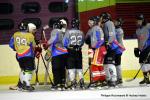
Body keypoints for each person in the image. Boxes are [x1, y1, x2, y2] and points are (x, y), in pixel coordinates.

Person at [9, 22, 39, 91]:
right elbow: (34, 46)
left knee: (23, 69)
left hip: (19, 56)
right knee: (29, 70)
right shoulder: (30, 35)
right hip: (28, 55)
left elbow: (11, 44)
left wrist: (16, 48)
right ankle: (27, 85)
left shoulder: (15, 34)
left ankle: (21, 85)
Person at [100, 12, 125, 87]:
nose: (100, 19)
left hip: (111, 46)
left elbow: (112, 35)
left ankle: (114, 79)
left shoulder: (109, 23)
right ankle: (109, 79)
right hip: (109, 46)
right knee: (106, 63)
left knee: (111, 63)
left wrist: (109, 43)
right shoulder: (106, 24)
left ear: (105, 17)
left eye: (101, 17)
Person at [43, 20, 68, 90]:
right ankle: (63, 83)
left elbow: (52, 40)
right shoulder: (64, 32)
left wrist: (46, 45)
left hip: (57, 54)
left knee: (56, 69)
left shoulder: (55, 31)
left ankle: (57, 84)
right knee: (62, 69)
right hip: (65, 53)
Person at [63, 18, 85, 89]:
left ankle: (73, 83)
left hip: (70, 52)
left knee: (71, 68)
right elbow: (82, 43)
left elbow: (64, 43)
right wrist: (77, 47)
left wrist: (70, 47)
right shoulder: (81, 32)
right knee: (79, 68)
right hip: (78, 51)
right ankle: (82, 83)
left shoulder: (68, 32)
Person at [85, 16, 106, 87]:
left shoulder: (95, 28)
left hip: (97, 49)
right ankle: (102, 80)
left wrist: (94, 47)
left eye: (91, 21)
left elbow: (97, 41)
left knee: (94, 65)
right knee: (99, 65)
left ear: (94, 22)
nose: (89, 23)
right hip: (101, 48)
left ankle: (96, 81)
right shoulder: (97, 28)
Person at [134, 14, 150, 86]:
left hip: (148, 47)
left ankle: (147, 79)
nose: (138, 21)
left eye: (139, 20)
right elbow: (139, 40)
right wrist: (138, 48)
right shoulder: (138, 30)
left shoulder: (148, 26)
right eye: (137, 20)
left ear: (143, 20)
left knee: (147, 63)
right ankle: (146, 78)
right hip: (142, 49)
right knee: (141, 63)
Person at [114, 18, 125, 85]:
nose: (115, 23)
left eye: (117, 22)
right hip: (116, 49)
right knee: (115, 64)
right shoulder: (115, 29)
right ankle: (117, 78)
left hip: (118, 49)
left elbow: (117, 40)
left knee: (118, 64)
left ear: (119, 23)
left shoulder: (119, 30)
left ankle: (119, 78)